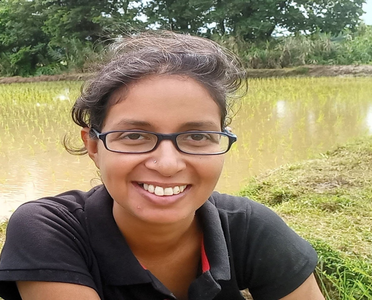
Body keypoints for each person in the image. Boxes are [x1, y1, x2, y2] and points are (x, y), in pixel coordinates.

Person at [0, 31, 324, 300]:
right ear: (94, 146)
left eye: (197, 135)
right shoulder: (49, 229)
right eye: (135, 135)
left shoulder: (249, 227)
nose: (167, 165)